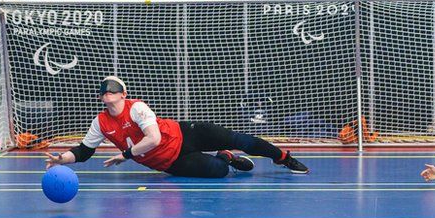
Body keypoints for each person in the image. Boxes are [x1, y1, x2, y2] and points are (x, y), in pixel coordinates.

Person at [44, 76, 309, 177]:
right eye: (102, 90)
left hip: (184, 134)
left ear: (123, 94)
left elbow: (153, 139)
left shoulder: (137, 107)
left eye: (111, 89)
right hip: (168, 163)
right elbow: (83, 151)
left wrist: (126, 155)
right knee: (218, 172)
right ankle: (225, 159)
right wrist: (62, 159)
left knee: (237, 138)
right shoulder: (100, 122)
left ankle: (284, 158)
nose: (106, 93)